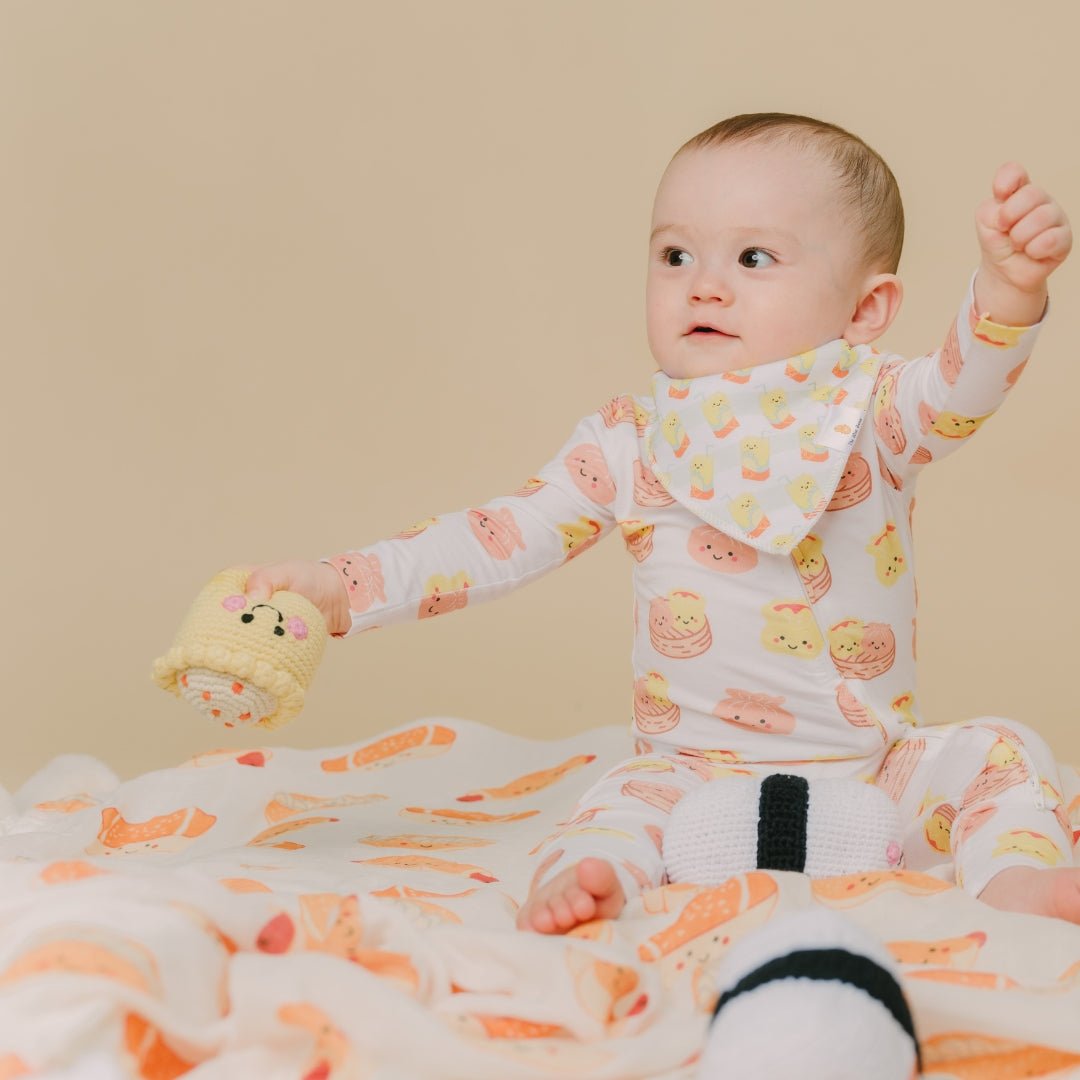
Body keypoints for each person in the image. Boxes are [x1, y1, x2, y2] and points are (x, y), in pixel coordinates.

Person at [244, 113, 1077, 933]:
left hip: (873, 773)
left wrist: (1009, 289)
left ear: (866, 310)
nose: (704, 284)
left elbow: (963, 389)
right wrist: (344, 586)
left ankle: (1016, 880)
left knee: (1001, 753)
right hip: (689, 775)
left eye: (754, 258)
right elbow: (499, 537)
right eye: (675, 254)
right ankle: (590, 880)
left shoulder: (875, 411)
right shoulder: (631, 440)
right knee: (616, 801)